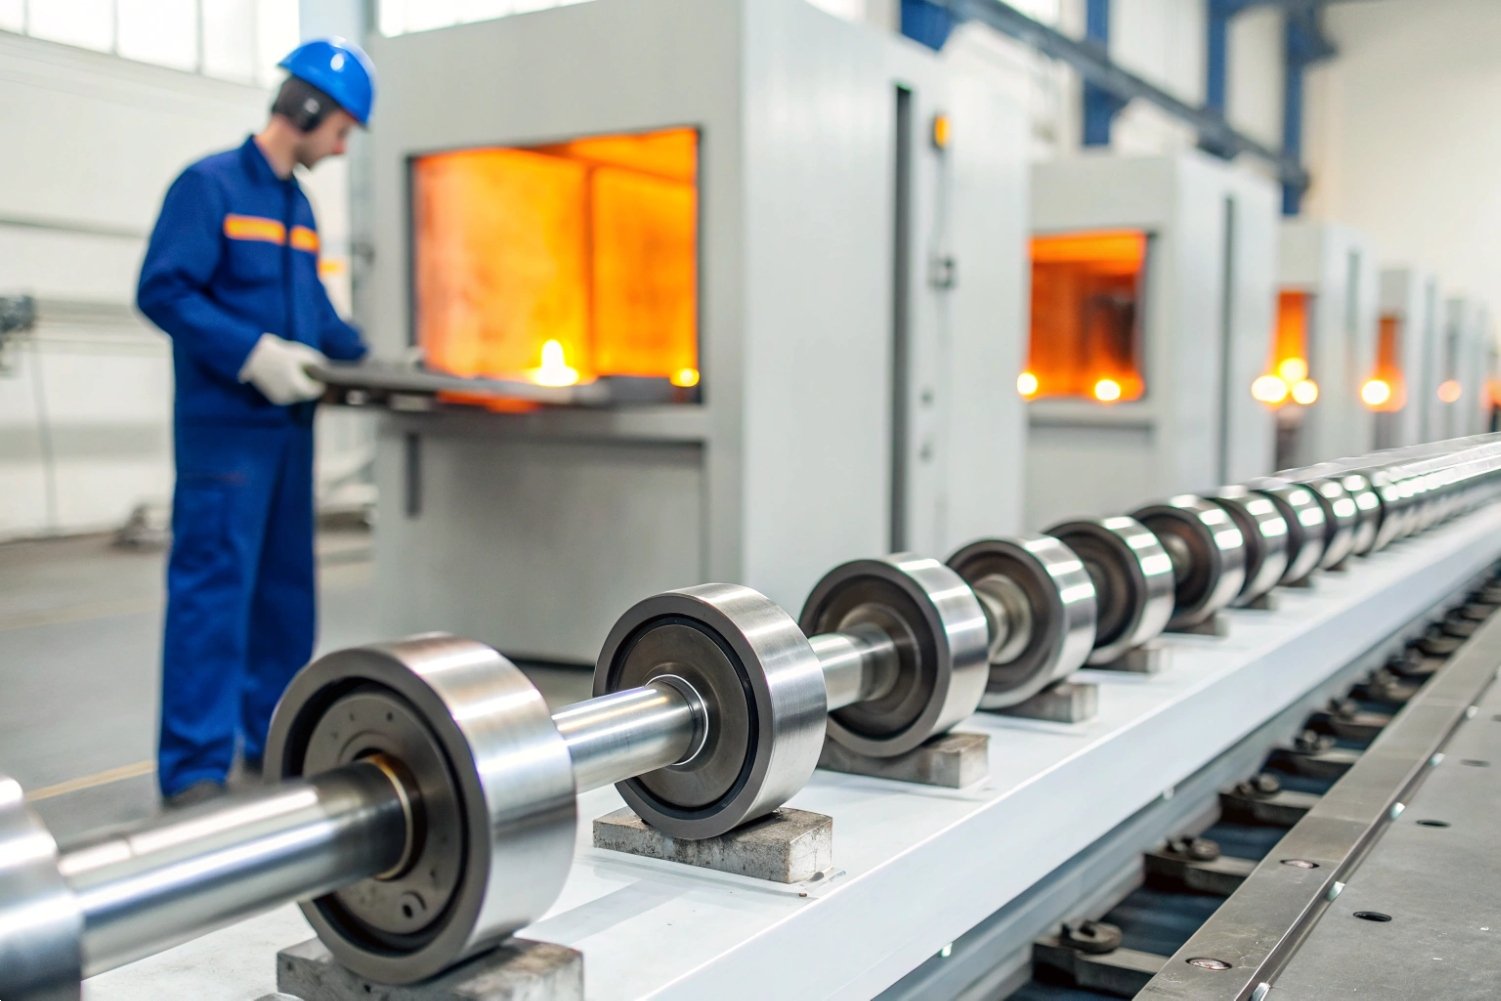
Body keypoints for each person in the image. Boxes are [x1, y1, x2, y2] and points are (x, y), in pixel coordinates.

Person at [136, 38, 376, 807]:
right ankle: (194, 768)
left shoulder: (295, 208)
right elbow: (163, 290)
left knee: (282, 593)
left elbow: (315, 313)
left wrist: (376, 357)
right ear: (306, 107)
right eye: (340, 131)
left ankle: (270, 737)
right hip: (226, 433)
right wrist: (251, 353)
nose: (340, 149)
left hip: (289, 433)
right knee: (213, 590)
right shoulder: (208, 187)